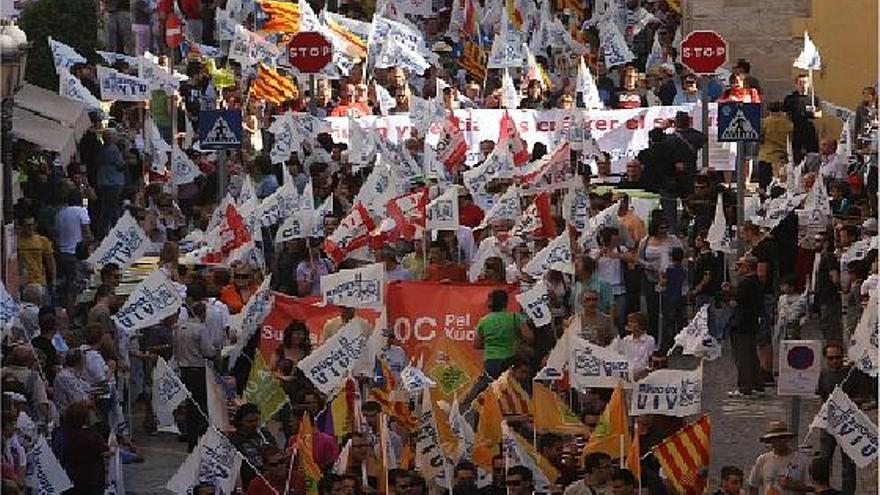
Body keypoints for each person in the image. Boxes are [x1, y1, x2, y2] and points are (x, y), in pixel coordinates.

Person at [815, 342, 872, 495]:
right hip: (829, 424)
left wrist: (847, 402)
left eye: (838, 357)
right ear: (826, 358)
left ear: (843, 357)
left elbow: (864, 397)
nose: (835, 361)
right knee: (824, 460)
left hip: (849, 424)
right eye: (831, 358)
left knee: (848, 465)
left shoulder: (853, 374)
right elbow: (821, 395)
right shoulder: (824, 373)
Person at [725, 255, 764, 398]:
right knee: (752, 355)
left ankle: (745, 387)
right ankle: (757, 384)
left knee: (743, 357)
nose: (738, 268)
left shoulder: (746, 283)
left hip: (741, 324)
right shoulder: (756, 282)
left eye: (740, 266)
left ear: (747, 267)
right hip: (751, 323)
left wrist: (729, 294)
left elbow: (736, 302)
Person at [474, 289, 532, 379]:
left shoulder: (484, 321)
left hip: (491, 361)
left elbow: (477, 344)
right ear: (505, 302)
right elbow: (528, 336)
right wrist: (518, 342)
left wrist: (492, 343)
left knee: (493, 388)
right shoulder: (515, 317)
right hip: (510, 359)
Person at [59, 401, 109, 495]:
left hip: (70, 478)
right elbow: (106, 451)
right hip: (92, 481)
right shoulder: (91, 436)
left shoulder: (63, 433)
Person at [748, 421, 810, 495]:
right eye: (773, 438)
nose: (777, 441)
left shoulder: (801, 460)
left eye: (781, 438)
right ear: (770, 441)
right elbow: (753, 486)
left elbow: (813, 488)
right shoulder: (762, 460)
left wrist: (794, 485)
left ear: (787, 439)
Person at [230, 403, 277, 490]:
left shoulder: (265, 435)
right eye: (249, 421)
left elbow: (277, 454)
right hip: (249, 485)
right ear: (240, 422)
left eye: (256, 420)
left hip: (271, 483)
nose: (254, 424)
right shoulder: (233, 441)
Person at [783, 74, 822, 165]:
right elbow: (785, 115)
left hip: (810, 131)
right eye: (800, 83)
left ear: (808, 84)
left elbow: (820, 113)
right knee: (796, 155)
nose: (803, 85)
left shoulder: (813, 98)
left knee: (812, 155)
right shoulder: (790, 99)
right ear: (796, 85)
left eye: (805, 83)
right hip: (796, 130)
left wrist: (814, 113)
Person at [757, 102, 793, 191]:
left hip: (766, 156)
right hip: (781, 158)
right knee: (779, 187)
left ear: (768, 110)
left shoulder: (764, 122)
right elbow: (791, 140)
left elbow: (760, 137)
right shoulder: (788, 124)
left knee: (764, 187)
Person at [16, 214, 55, 291]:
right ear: (23, 227)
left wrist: (53, 280)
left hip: (39, 281)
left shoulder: (42, 241)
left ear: (35, 225)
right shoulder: (17, 241)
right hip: (22, 282)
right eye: (27, 225)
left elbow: (50, 262)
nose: (30, 227)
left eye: (31, 225)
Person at [616, 312, 654, 379]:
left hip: (643, 375)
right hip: (627, 374)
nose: (629, 324)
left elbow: (649, 360)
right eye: (629, 322)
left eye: (633, 322)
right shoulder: (625, 340)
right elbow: (621, 358)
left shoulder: (649, 340)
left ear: (641, 325)